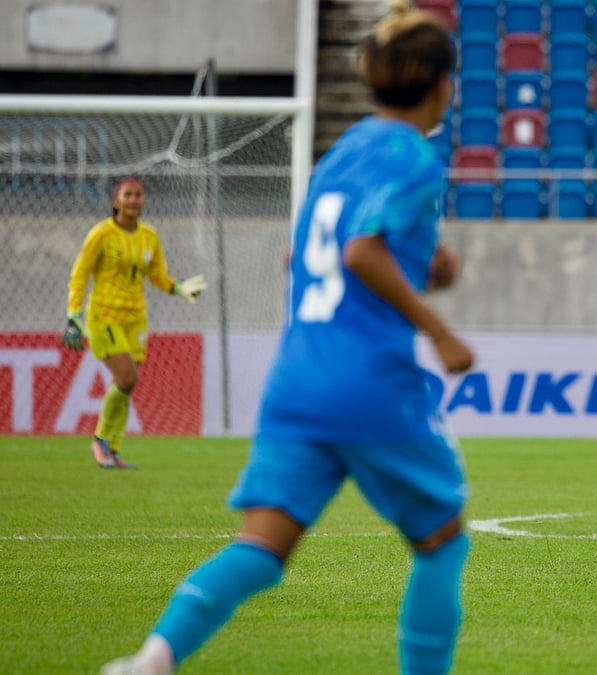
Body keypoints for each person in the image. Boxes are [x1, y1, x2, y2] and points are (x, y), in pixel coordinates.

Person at [101, 2, 473, 673]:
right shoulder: (413, 156)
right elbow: (360, 251)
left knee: (261, 547)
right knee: (442, 542)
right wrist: (439, 330)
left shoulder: (345, 150)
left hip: (298, 377)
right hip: (369, 382)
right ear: (443, 83)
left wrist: (423, 269)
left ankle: (150, 660)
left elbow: (300, 258)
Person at [65, 177, 207, 469]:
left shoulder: (149, 237)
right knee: (128, 378)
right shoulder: (102, 235)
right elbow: (80, 274)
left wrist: (178, 288)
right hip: (104, 315)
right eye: (127, 195)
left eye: (139, 195)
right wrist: (73, 314)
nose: (133, 200)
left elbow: (157, 275)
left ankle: (111, 450)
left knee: (125, 385)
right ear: (116, 201)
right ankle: (101, 441)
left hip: (136, 319)